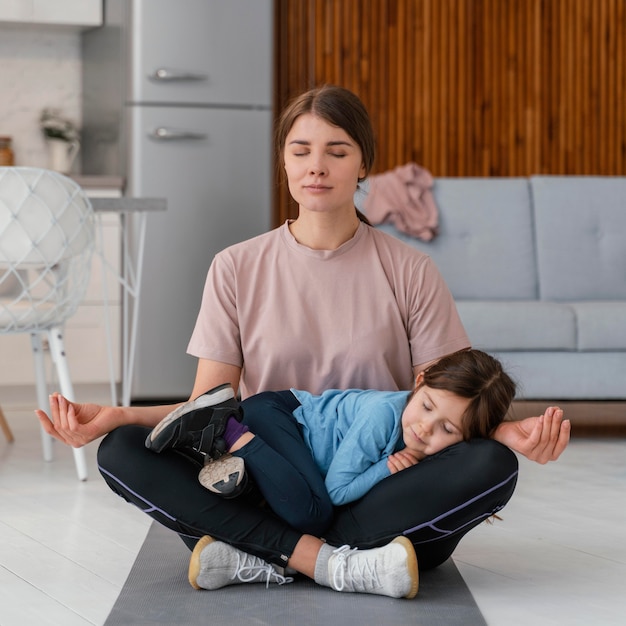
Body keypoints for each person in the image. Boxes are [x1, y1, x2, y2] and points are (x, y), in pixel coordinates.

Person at [36, 85, 570, 600]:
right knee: (123, 452)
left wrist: (505, 432)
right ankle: (337, 561)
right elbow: (211, 412)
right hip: (263, 488)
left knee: (493, 467)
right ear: (285, 163)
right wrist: (117, 417)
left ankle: (258, 553)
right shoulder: (236, 267)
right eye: (301, 151)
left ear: (363, 165)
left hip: (376, 493)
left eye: (337, 151)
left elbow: (443, 401)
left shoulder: (411, 270)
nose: (317, 166)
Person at [146, 349, 518, 540]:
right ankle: (225, 429)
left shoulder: (425, 442)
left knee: (295, 507)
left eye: (447, 429)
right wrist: (385, 468)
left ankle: (236, 470)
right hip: (276, 415)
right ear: (419, 383)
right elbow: (337, 491)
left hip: (290, 447)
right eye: (426, 406)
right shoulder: (382, 417)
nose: (424, 428)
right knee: (315, 514)